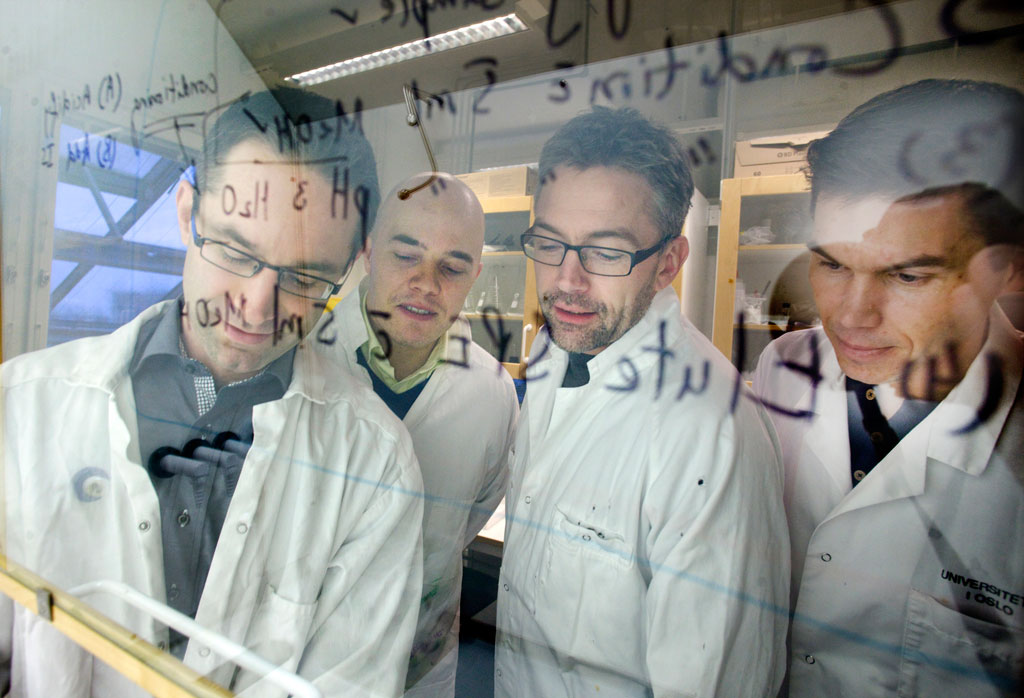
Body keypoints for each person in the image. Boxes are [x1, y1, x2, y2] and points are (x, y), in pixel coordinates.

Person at [0, 88, 424, 697]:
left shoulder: (376, 462)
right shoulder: (21, 409)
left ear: (351, 267)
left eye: (305, 277)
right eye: (233, 249)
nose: (256, 305)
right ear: (186, 211)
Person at [494, 106, 790, 697]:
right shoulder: (556, 356)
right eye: (549, 244)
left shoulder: (710, 434)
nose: (567, 281)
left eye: (606, 252)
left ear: (668, 265)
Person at [752, 79, 1024, 697]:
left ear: (1008, 267)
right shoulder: (782, 369)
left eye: (906, 274)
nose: (851, 315)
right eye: (831, 264)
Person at [326, 172, 518, 697]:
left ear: (475, 274)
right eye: (406, 255)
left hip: (421, 671)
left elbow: (473, 509)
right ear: (368, 251)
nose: (427, 284)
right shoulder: (303, 358)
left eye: (452, 267)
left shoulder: (492, 393)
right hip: (302, 668)